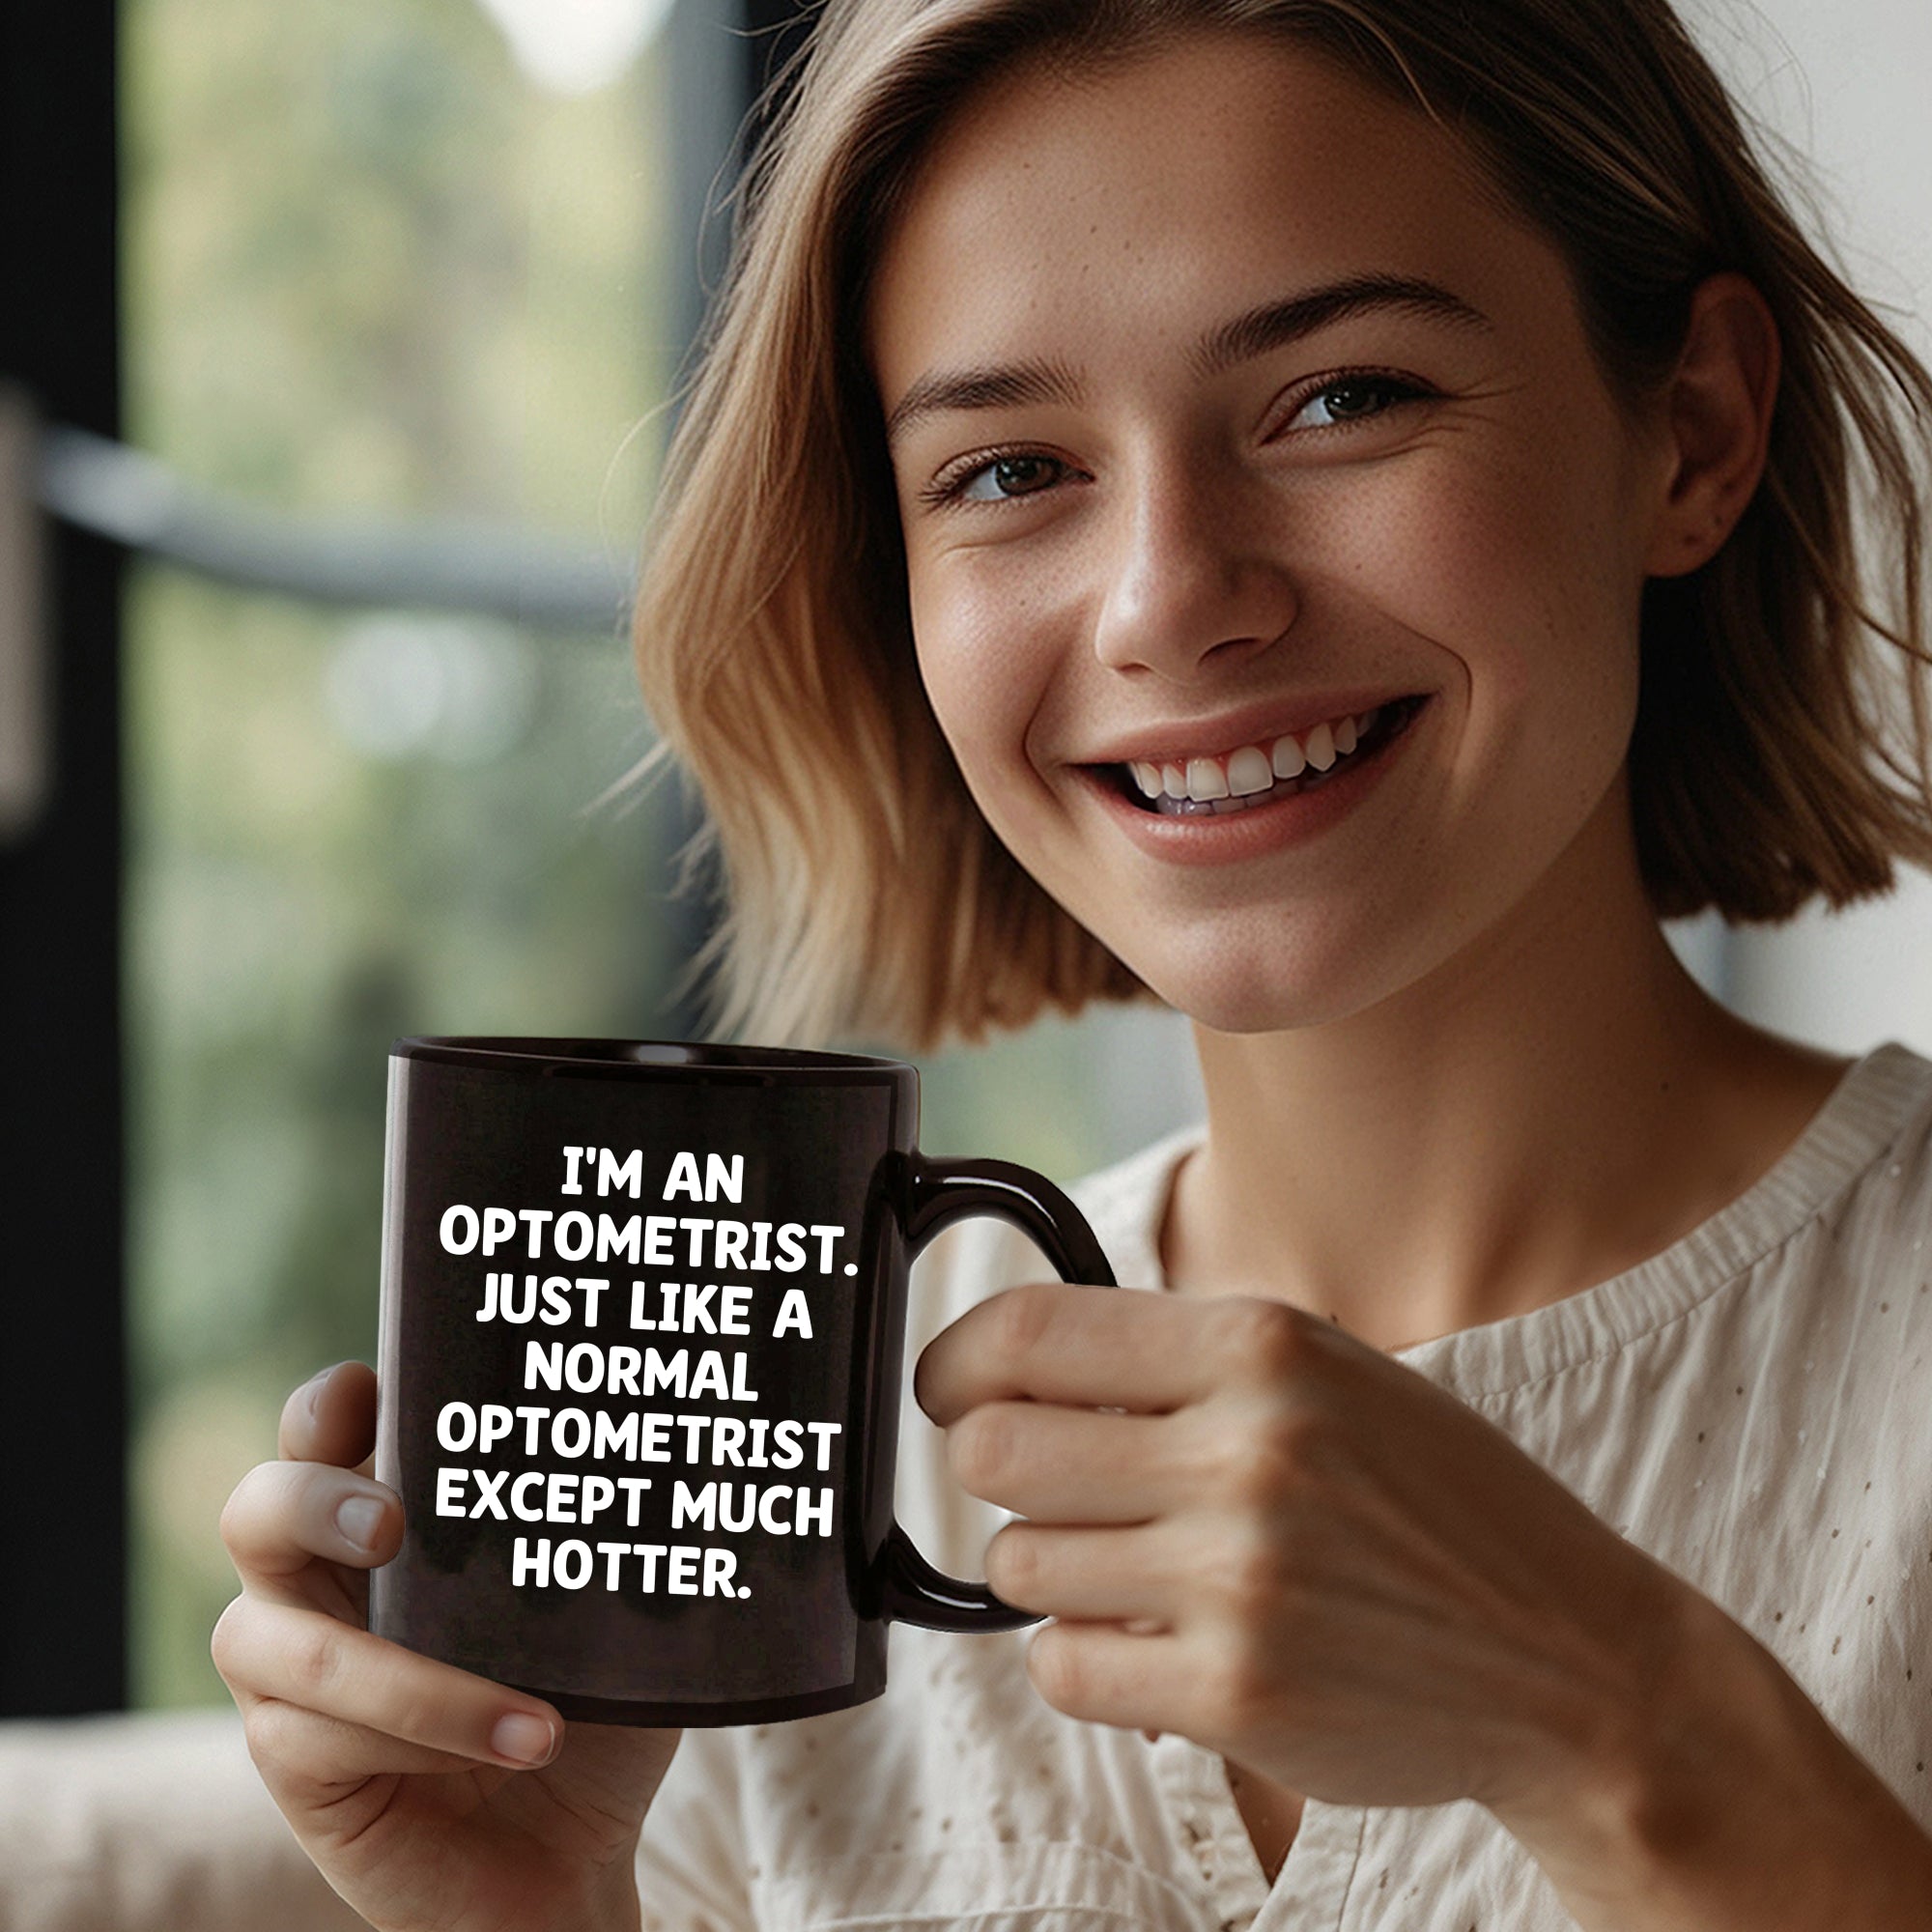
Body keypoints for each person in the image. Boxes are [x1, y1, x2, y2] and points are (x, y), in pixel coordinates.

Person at [213, 0, 1932, 1925]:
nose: (1166, 599)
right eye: (1011, 471)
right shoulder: (811, 1481)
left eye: (1341, 395)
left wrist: (1618, 1720)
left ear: (1690, 430)